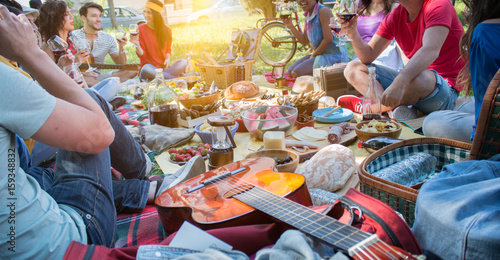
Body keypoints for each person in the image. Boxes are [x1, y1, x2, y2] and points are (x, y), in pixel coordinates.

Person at [339, 0, 464, 121]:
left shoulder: (438, 4)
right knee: (352, 69)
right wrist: (352, 33)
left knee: (422, 78)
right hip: (411, 83)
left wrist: (399, 83)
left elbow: (430, 49)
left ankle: (372, 107)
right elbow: (368, 55)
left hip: (444, 90)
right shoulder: (396, 16)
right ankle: (391, 107)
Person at [422, 0, 500, 143]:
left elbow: (485, 101)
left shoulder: (484, 33)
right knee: (461, 106)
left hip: (493, 132)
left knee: (432, 122)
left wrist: (477, 145)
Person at [37, 0, 122, 103]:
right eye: (66, 14)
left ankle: (99, 103)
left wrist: (87, 84)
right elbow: (51, 81)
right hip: (66, 95)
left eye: (70, 13)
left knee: (114, 81)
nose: (72, 17)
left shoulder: (70, 41)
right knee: (104, 90)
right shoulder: (47, 47)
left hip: (80, 89)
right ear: (55, 19)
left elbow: (77, 74)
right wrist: (75, 62)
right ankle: (106, 105)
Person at [71, 2, 137, 85]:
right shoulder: (73, 37)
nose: (99, 19)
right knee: (84, 79)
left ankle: (102, 85)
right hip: (80, 76)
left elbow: (121, 65)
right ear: (83, 18)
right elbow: (66, 66)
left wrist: (121, 47)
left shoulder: (107, 38)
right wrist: (81, 72)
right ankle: (107, 86)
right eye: (94, 16)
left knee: (131, 70)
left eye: (100, 16)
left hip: (97, 77)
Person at [283, 0, 348, 78]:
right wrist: (290, 25)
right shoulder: (308, 14)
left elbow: (328, 40)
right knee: (290, 72)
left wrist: (313, 55)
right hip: (319, 54)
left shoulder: (323, 11)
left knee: (296, 73)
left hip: (333, 57)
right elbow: (304, 41)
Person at [130, 0, 187, 82]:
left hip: (163, 69)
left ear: (156, 14)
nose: (145, 15)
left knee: (183, 62)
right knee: (147, 68)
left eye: (149, 13)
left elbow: (168, 49)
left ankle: (163, 79)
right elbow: (142, 55)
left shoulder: (167, 30)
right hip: (148, 71)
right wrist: (136, 44)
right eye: (144, 12)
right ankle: (177, 80)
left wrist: (167, 58)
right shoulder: (141, 29)